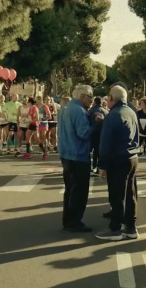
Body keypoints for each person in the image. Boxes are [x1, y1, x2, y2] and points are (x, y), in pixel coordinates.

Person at [95, 86, 139, 241]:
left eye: (108, 97)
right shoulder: (131, 112)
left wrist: (102, 165)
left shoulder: (113, 115)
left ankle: (115, 229)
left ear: (112, 98)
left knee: (116, 195)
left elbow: (105, 143)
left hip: (117, 158)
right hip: (132, 157)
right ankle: (130, 226)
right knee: (130, 193)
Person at [58, 85, 96, 232]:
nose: (91, 100)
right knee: (79, 191)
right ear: (82, 96)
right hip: (78, 155)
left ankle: (67, 220)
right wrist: (95, 124)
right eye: (90, 97)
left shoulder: (65, 108)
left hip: (66, 154)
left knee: (70, 190)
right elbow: (84, 133)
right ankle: (75, 221)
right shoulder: (79, 111)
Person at [89, 96, 109, 175]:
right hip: (101, 135)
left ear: (95, 102)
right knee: (99, 152)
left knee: (90, 152)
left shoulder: (90, 111)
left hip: (92, 134)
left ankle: (92, 167)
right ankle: (99, 167)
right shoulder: (106, 112)